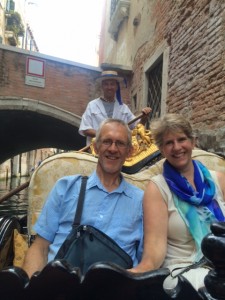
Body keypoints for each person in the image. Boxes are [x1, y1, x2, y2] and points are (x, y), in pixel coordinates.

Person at [22, 119, 144, 278]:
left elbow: (145, 260)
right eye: (107, 141)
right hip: (59, 286)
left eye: (120, 143)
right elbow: (40, 247)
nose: (113, 148)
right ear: (95, 147)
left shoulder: (141, 201)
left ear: (129, 151)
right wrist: (33, 289)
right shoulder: (65, 187)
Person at [131, 113, 225, 292]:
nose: (177, 147)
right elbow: (154, 255)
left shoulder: (219, 180)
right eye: (168, 143)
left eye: (181, 139)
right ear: (161, 149)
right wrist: (130, 277)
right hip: (185, 271)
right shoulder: (157, 188)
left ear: (193, 142)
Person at [79, 70, 152, 145]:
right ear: (102, 86)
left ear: (116, 86)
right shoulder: (92, 105)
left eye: (112, 84)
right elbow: (85, 129)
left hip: (118, 151)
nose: (109, 87)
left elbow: (137, 127)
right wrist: (105, 135)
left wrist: (144, 118)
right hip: (96, 150)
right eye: (106, 84)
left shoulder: (123, 108)